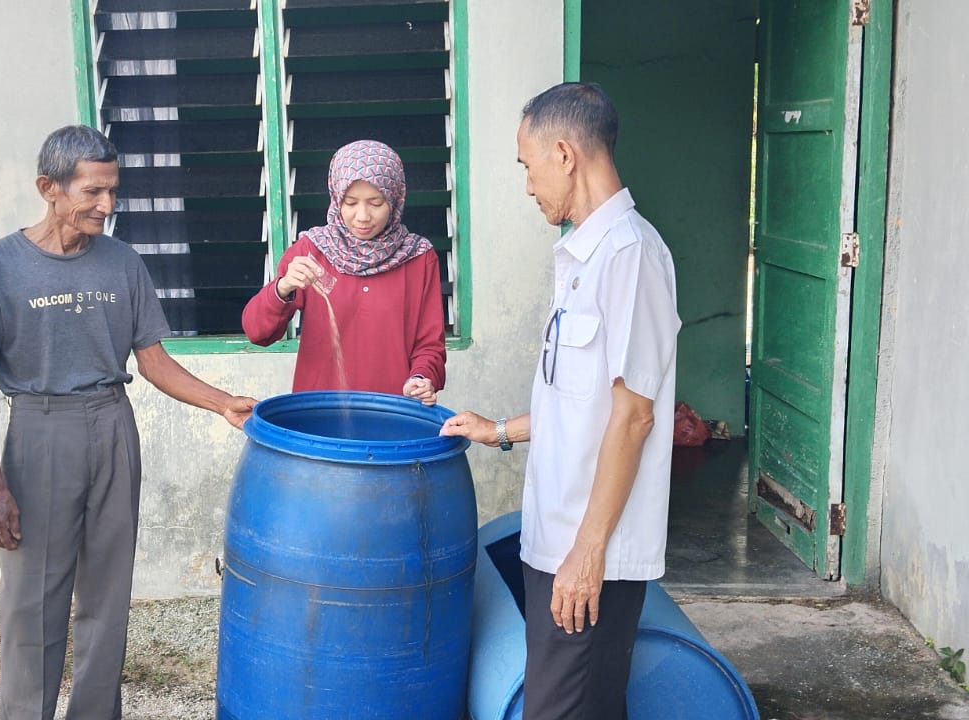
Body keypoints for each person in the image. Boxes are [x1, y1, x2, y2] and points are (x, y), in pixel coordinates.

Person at [0, 124, 257, 720]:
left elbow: (153, 362)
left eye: (113, 191)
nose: (107, 205)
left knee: (108, 592)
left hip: (114, 427)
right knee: (32, 598)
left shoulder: (122, 263)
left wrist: (222, 402)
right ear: (50, 187)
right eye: (93, 192)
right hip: (39, 431)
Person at [441, 82, 681, 719]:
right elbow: (578, 405)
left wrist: (589, 551)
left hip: (587, 550)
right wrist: (498, 430)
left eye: (527, 165)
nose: (526, 184)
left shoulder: (630, 257)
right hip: (558, 542)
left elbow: (633, 417)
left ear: (565, 153)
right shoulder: (584, 259)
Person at [241, 140, 446, 404]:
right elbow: (257, 333)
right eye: (350, 203)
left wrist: (421, 378)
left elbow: (429, 345)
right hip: (319, 415)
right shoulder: (311, 251)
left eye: (375, 203)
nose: (362, 216)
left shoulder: (418, 257)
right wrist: (283, 287)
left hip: (393, 413)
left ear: (395, 199)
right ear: (336, 199)